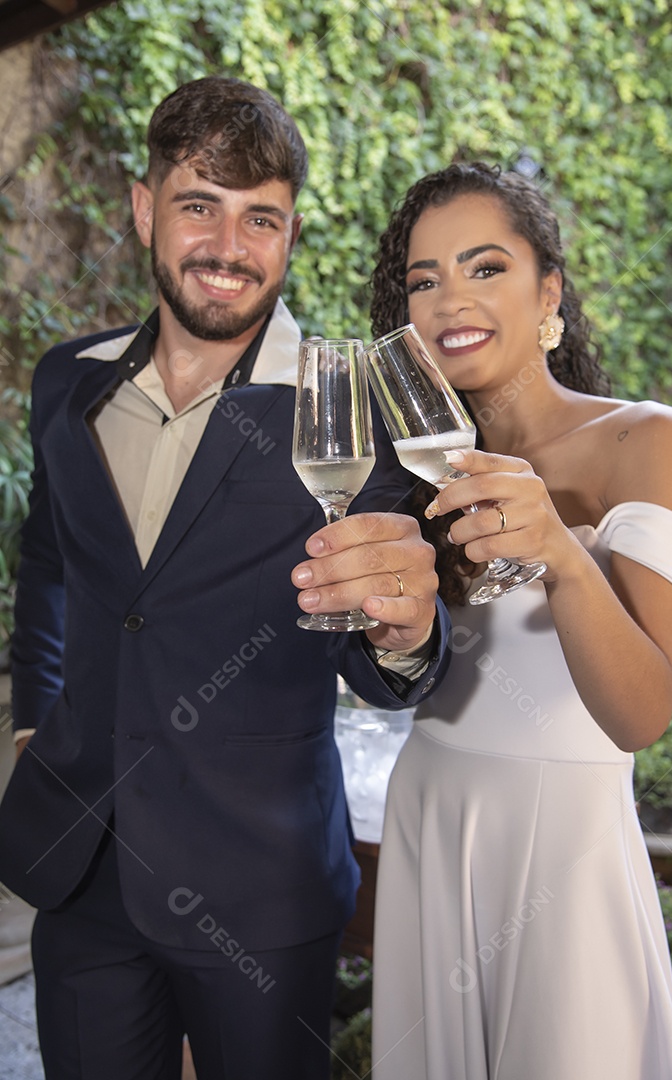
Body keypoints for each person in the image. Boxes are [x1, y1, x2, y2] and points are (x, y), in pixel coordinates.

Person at [0, 77, 451, 1080]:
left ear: (291, 235)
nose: (228, 246)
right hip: (83, 870)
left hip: (259, 883)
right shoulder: (67, 380)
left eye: (261, 219)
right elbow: (49, 561)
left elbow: (386, 663)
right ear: (143, 208)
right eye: (199, 205)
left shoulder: (350, 408)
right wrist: (35, 719)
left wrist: (408, 630)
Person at [368, 161, 672, 1080]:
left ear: (547, 291)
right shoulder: (413, 469)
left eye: (484, 268)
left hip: (562, 847)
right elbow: (400, 677)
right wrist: (388, 633)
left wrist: (559, 548)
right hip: (430, 807)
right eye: (424, 280)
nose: (450, 299)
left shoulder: (646, 438)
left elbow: (640, 713)